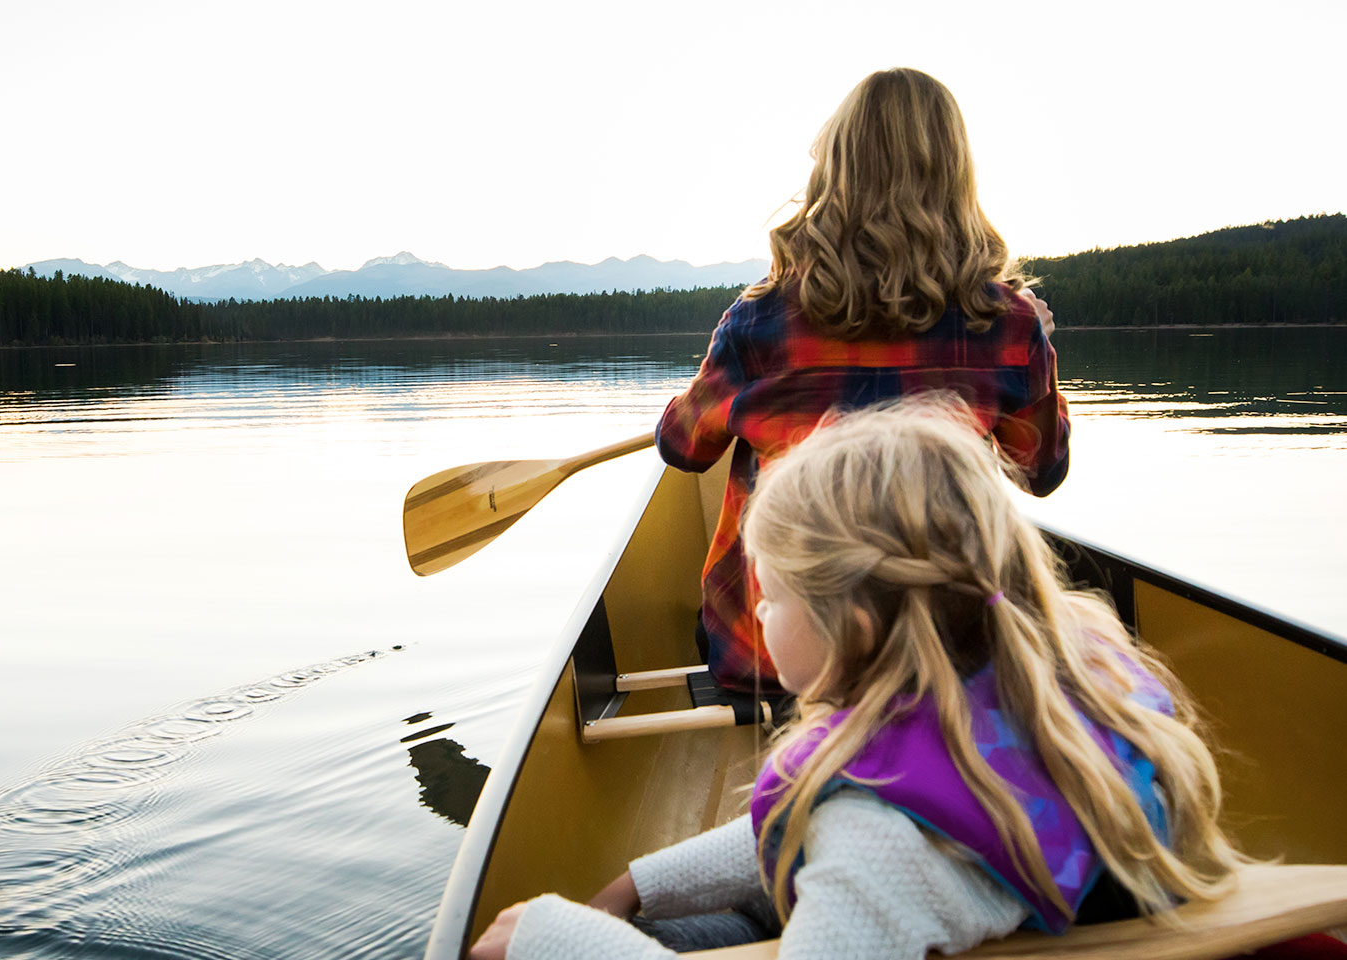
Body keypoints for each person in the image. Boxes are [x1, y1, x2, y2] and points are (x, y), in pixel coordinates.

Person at [468, 397, 1245, 960]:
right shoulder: (1040, 682)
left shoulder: (877, 842)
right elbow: (821, 824)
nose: (758, 615)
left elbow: (863, 844)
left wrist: (558, 939)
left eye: (770, 597)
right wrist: (634, 886)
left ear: (856, 632)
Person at [653, 66, 1069, 695]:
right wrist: (1038, 349)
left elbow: (682, 448)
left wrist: (714, 388)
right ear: (955, 178)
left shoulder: (759, 322)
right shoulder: (1010, 326)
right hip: (944, 657)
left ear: (833, 174)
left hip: (779, 655)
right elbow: (1043, 471)